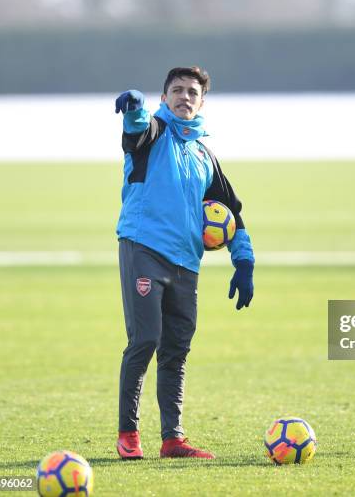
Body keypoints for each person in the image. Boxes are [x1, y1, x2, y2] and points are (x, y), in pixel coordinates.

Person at [113, 66, 255, 460]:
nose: (185, 96)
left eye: (192, 92)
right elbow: (136, 131)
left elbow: (232, 213)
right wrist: (135, 108)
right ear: (164, 98)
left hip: (186, 264)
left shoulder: (204, 154)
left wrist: (244, 261)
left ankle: (172, 439)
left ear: (202, 101)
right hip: (143, 248)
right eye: (176, 90)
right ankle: (129, 433)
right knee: (145, 339)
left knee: (176, 351)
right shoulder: (153, 133)